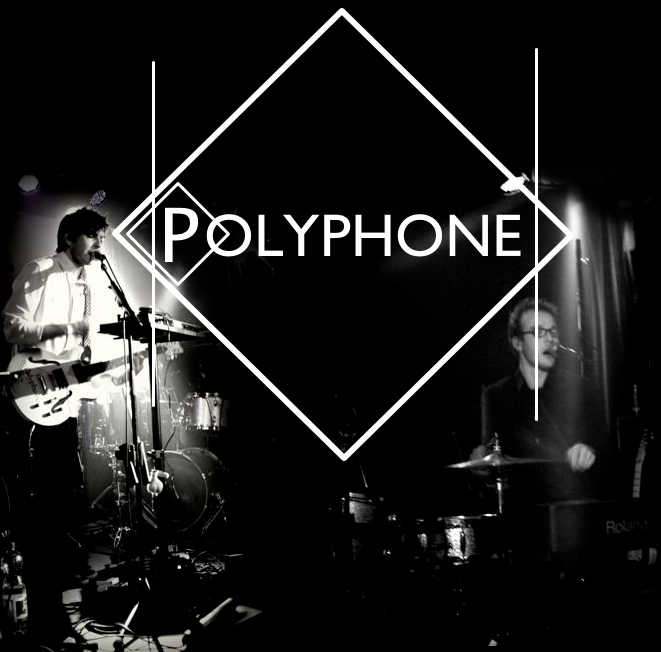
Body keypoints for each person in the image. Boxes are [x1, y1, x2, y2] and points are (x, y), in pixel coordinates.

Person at [1, 207, 124, 642]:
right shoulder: (42, 270)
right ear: (70, 236)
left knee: (66, 491)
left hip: (63, 399)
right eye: (92, 237)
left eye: (102, 238)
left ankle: (54, 605)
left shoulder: (91, 282)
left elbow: (81, 350)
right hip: (32, 391)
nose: (99, 246)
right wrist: (66, 327)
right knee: (38, 499)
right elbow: (12, 326)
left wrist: (107, 372)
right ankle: (39, 612)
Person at [471, 296, 608, 507]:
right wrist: (480, 465)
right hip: (521, 511)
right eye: (538, 332)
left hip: (575, 507)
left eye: (553, 332)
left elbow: (606, 452)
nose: (551, 339)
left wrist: (590, 451)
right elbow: (490, 458)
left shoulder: (581, 389)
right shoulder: (496, 395)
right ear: (517, 342)